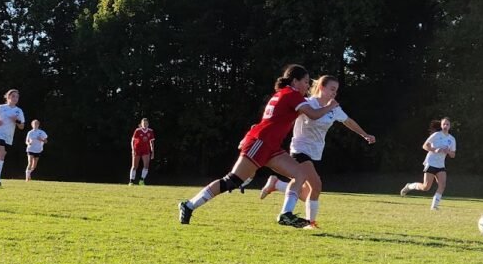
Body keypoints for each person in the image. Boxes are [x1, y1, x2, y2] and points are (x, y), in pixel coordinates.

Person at [178, 64, 340, 227]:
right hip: (260, 143)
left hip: (271, 146)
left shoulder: (286, 94)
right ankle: (189, 205)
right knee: (231, 181)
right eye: (305, 81)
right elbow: (313, 115)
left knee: (300, 174)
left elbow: (271, 120)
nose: (308, 85)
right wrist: (330, 106)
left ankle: (286, 214)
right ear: (295, 81)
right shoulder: (292, 94)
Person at [259, 75, 376, 227]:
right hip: (299, 149)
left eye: (336, 90)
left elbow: (348, 121)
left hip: (315, 153)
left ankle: (277, 185)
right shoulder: (307, 103)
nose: (334, 93)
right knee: (316, 185)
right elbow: (288, 116)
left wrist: (365, 134)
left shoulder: (335, 108)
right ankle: (310, 223)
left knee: (309, 193)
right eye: (332, 89)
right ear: (321, 87)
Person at [400, 117, 456, 210]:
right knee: (426, 187)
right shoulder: (436, 135)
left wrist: (448, 152)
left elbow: (453, 155)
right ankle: (409, 186)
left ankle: (434, 206)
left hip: (441, 165)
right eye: (444, 124)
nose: (445, 126)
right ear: (441, 125)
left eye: (447, 124)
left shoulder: (452, 139)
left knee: (442, 185)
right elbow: (425, 146)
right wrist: (435, 150)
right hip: (431, 162)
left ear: (450, 126)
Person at [129, 117, 155, 185]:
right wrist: (133, 149)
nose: (145, 124)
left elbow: (151, 142)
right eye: (144, 123)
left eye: (146, 123)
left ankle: (141, 180)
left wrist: (152, 152)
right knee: (135, 166)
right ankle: (131, 181)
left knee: (146, 165)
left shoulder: (150, 131)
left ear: (148, 124)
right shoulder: (137, 130)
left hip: (146, 150)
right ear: (141, 124)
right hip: (137, 149)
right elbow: (132, 140)